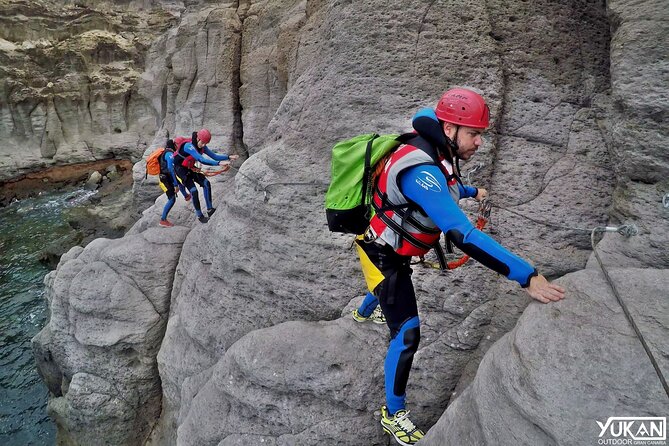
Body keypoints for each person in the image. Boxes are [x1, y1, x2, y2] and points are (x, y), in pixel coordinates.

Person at [354, 87, 566, 445]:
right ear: (449, 129)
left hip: (393, 244)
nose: (479, 142)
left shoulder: (434, 149)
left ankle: (365, 312)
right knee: (407, 333)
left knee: (388, 289)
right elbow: (463, 234)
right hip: (382, 252)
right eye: (474, 133)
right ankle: (393, 413)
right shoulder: (422, 169)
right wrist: (525, 275)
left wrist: (472, 193)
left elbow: (446, 186)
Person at [172, 128, 239, 223]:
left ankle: (210, 209)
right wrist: (219, 163)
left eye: (205, 143)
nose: (203, 145)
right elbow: (201, 159)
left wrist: (228, 157)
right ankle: (200, 216)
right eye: (202, 143)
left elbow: (214, 156)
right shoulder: (188, 146)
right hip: (181, 169)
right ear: (198, 139)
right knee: (194, 191)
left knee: (206, 183)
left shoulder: (202, 146)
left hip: (190, 166)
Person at [158, 139, 191, 227]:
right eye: (176, 145)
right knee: (172, 199)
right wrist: (175, 185)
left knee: (180, 183)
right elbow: (170, 169)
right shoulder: (169, 154)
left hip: (167, 177)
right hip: (165, 180)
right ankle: (163, 220)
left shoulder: (167, 152)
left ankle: (186, 196)